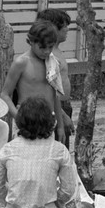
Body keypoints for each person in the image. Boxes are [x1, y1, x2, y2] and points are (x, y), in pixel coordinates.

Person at [0, 19, 65, 144]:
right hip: (26, 121)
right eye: (42, 48)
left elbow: (55, 95)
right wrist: (19, 118)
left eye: (50, 47)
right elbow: (5, 94)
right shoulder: (22, 63)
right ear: (30, 42)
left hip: (48, 121)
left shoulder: (52, 63)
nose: (46, 51)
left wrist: (60, 126)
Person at [36, 9, 74, 149]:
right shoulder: (47, 54)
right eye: (64, 25)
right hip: (54, 109)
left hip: (63, 106)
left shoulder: (56, 51)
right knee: (56, 150)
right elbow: (44, 89)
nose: (67, 29)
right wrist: (62, 116)